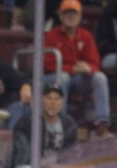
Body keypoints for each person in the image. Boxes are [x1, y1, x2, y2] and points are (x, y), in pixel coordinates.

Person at [44, 0, 112, 138]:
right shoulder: (51, 35)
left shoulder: (85, 35)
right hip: (53, 77)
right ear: (61, 16)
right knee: (63, 77)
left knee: (100, 77)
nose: (70, 17)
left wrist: (88, 68)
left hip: (79, 78)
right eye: (67, 13)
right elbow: (47, 64)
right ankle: (60, 123)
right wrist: (71, 69)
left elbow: (95, 62)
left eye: (74, 13)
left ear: (80, 16)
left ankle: (102, 124)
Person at [10, 83, 78, 168]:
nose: (53, 103)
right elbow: (24, 156)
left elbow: (74, 152)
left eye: (57, 99)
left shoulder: (68, 123)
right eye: (49, 98)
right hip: (29, 166)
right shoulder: (28, 122)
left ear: (61, 102)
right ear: (41, 100)